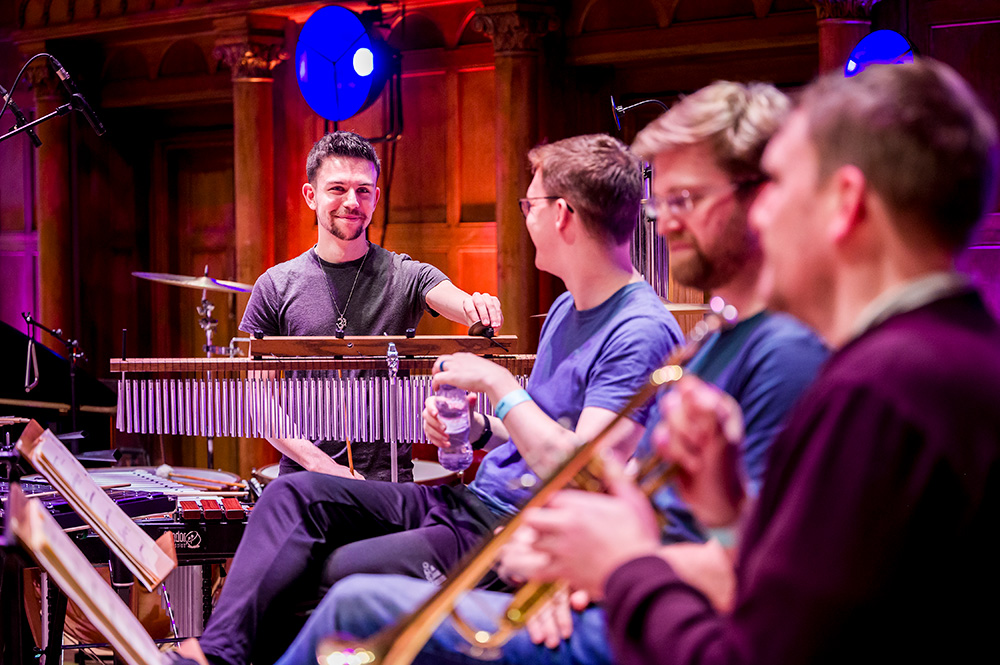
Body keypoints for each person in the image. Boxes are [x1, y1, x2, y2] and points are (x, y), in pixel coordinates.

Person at [269, 81, 828, 665]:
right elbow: (649, 499)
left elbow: (769, 577)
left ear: (764, 198)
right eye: (661, 202)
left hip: (650, 621)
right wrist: (486, 437)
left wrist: (608, 568)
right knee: (315, 537)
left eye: (685, 198)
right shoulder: (713, 337)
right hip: (600, 579)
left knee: (353, 604)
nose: (662, 223)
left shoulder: (781, 354)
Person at [501, 59, 1000, 665]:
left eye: (778, 187)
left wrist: (626, 566)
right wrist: (729, 513)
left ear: (844, 202)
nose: (759, 215)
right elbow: (824, 606)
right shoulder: (946, 353)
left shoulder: (883, 388)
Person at [172, 133, 682, 665]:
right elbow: (536, 435)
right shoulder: (567, 309)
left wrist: (501, 387)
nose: (525, 215)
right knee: (288, 496)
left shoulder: (638, 330)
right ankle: (214, 655)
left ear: (561, 214)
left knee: (326, 573)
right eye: (338, 189)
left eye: (529, 204)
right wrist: (478, 428)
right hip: (474, 503)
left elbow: (589, 470)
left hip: (508, 528)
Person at [240, 130, 503, 482]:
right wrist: (322, 465)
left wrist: (479, 306)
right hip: (305, 484)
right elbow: (260, 399)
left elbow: (457, 301)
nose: (352, 201)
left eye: (363, 190)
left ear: (376, 198)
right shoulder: (274, 285)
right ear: (311, 196)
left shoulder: (406, 274)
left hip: (389, 485)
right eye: (337, 189)